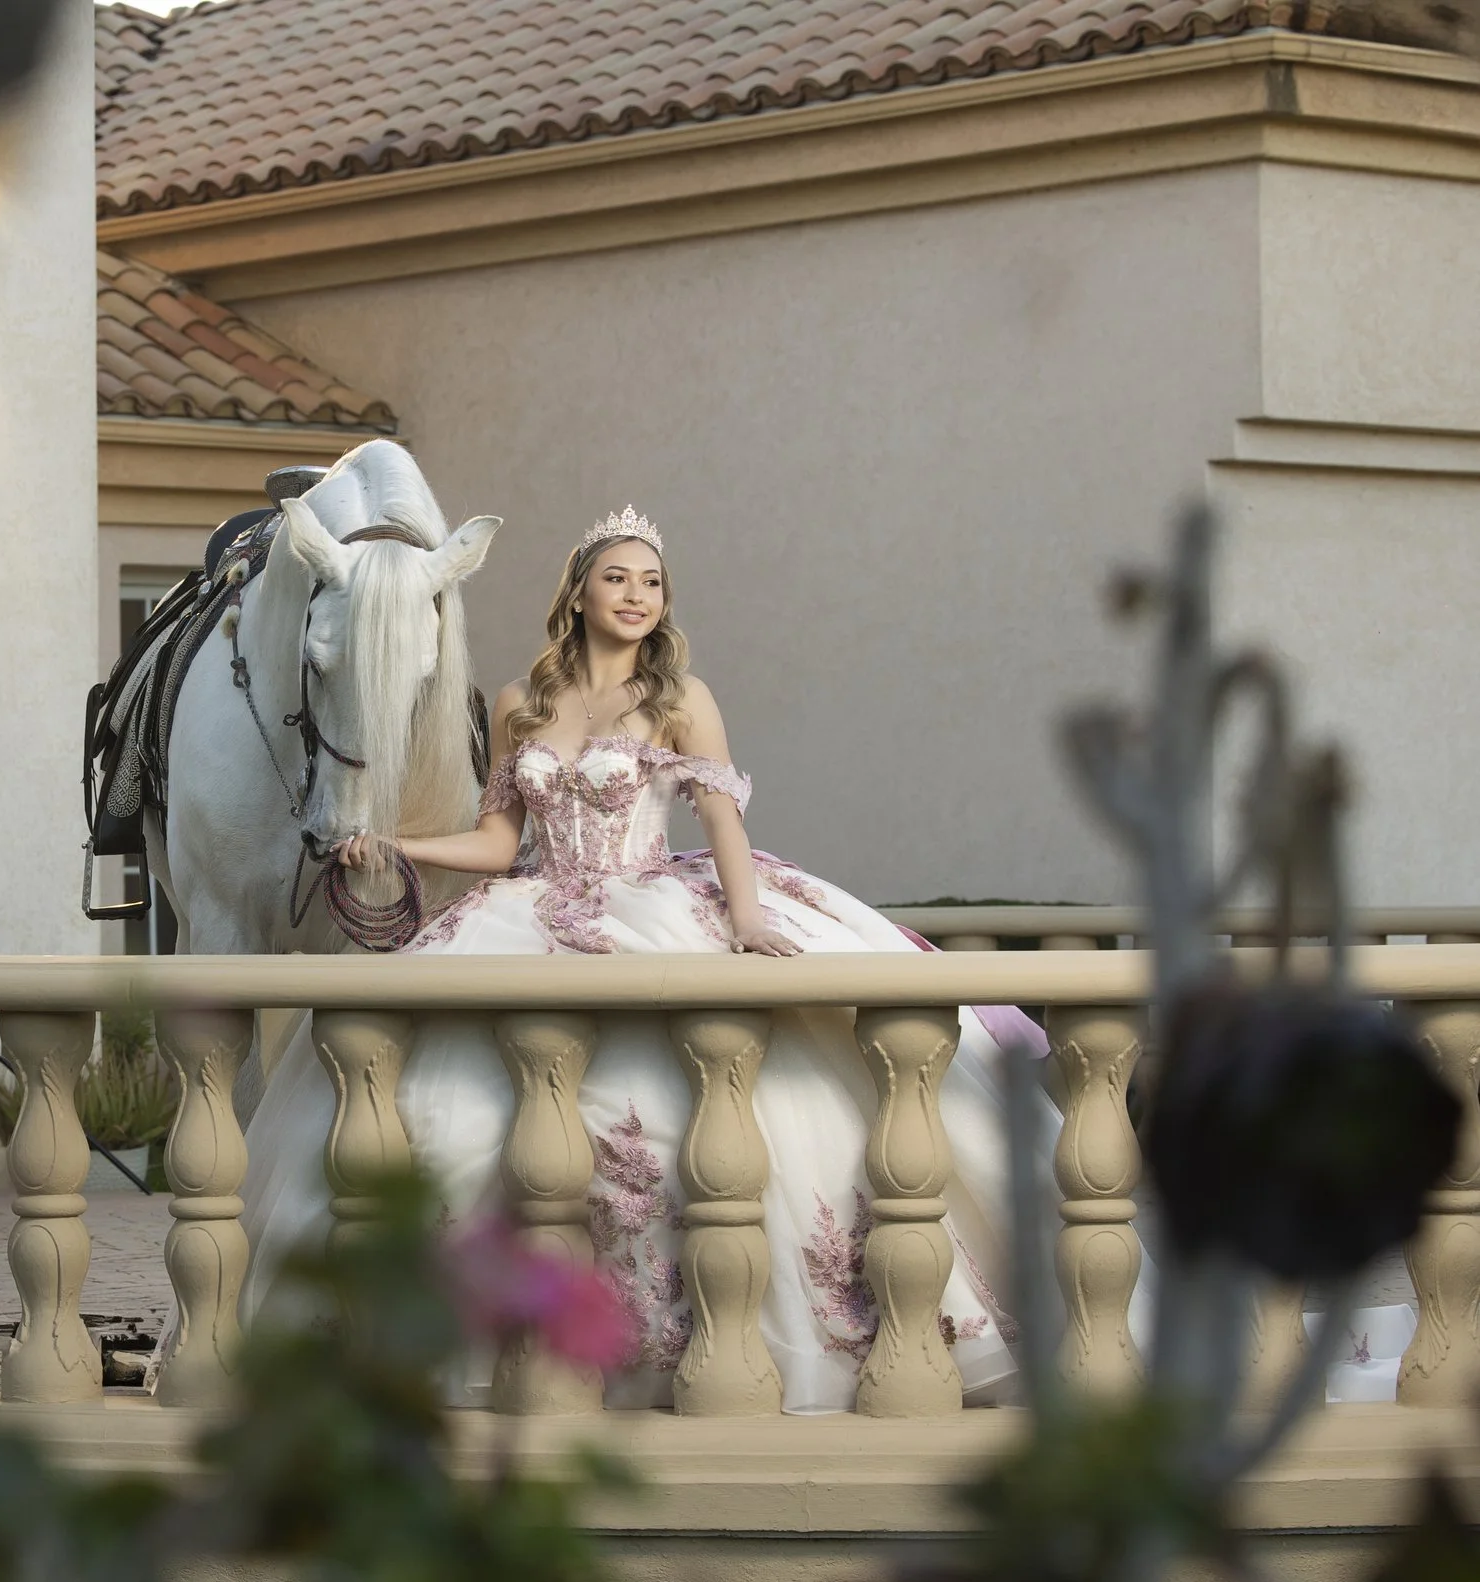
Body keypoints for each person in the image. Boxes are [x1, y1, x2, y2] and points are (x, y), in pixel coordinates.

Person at [237, 506, 1046, 1412]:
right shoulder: (520, 703)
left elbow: (721, 818)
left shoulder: (680, 700)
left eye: (652, 581)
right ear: (579, 590)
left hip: (654, 898)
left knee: (701, 1112)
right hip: (536, 911)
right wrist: (400, 845)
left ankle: (691, 1340)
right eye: (617, 577)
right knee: (458, 1107)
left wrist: (744, 917)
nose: (636, 595)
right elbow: (502, 843)